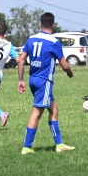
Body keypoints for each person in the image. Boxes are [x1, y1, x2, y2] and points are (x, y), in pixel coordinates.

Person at [18, 12, 75, 154]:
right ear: (53, 25)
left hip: (33, 80)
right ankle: (26, 147)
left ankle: (59, 144)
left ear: (40, 24)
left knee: (54, 110)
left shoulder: (31, 39)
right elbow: (65, 65)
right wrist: (70, 73)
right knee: (36, 114)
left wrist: (20, 79)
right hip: (44, 81)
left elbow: (21, 59)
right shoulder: (53, 42)